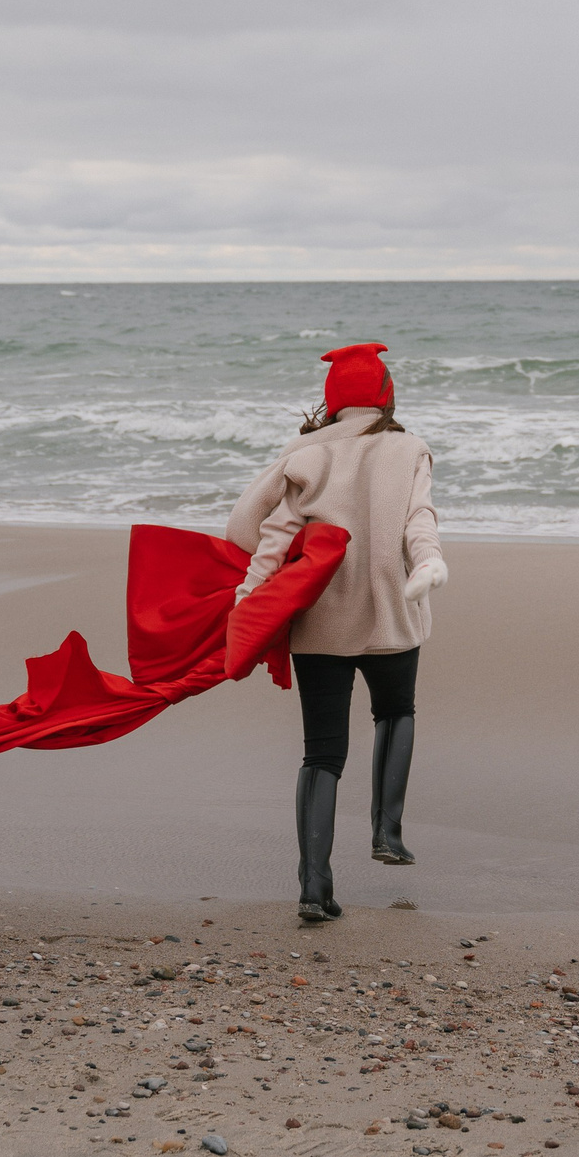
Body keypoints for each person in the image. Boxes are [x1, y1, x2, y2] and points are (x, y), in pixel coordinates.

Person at [227, 341, 448, 925]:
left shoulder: (306, 453)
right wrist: (427, 562)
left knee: (321, 752)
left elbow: (253, 527)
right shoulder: (409, 448)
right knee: (396, 711)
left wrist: (251, 593)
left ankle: (313, 885)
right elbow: (418, 520)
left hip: (320, 618)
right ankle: (388, 831)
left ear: (331, 402)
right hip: (393, 613)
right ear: (385, 395)